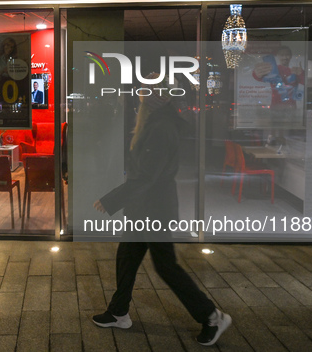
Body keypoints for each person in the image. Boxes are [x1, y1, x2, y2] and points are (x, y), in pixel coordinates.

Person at [91, 75, 231, 347]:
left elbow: (147, 175)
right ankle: (119, 313)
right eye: (143, 89)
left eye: (149, 91)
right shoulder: (153, 122)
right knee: (127, 258)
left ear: (161, 97)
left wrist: (112, 199)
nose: (142, 95)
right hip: (144, 207)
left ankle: (212, 316)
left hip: (155, 210)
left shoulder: (161, 127)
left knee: (166, 266)